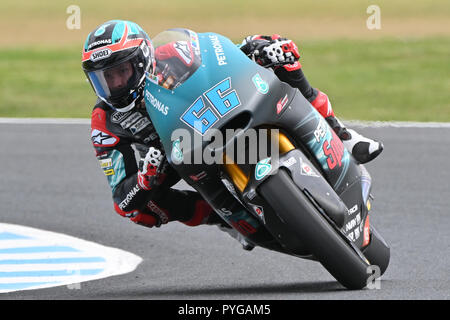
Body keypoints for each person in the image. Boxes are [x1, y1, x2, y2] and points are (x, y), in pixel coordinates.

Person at [82, 20, 383, 235]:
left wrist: (254, 48)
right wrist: (146, 180)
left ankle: (341, 132)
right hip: (172, 154)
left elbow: (218, 59)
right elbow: (122, 200)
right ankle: (221, 219)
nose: (115, 84)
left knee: (279, 56)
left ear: (143, 59)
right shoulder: (105, 122)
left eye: (121, 72)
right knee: (141, 213)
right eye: (104, 78)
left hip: (215, 110)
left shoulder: (170, 56)